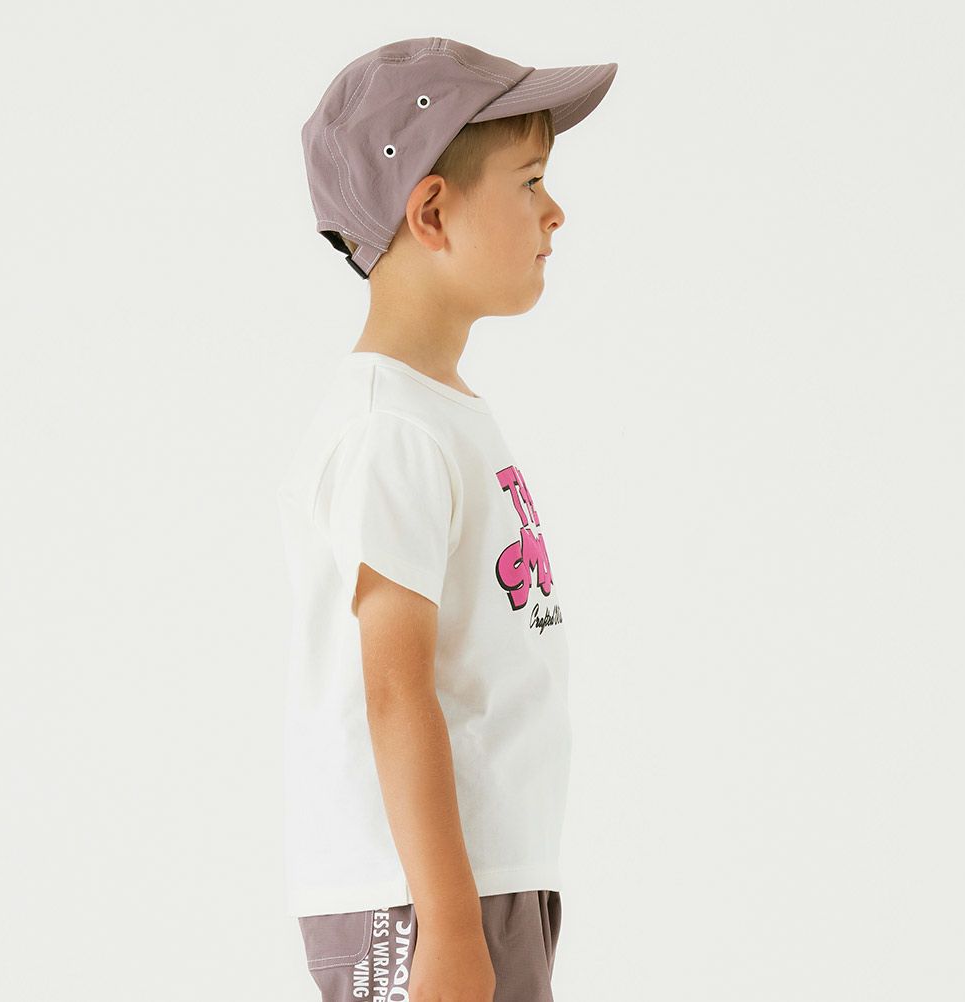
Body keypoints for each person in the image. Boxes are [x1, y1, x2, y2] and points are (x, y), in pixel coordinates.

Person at [277, 36, 618, 1001]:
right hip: (422, 899)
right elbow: (395, 690)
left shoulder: (436, 413)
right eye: (530, 181)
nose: (555, 211)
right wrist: (454, 926)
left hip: (479, 880)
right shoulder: (390, 431)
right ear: (431, 212)